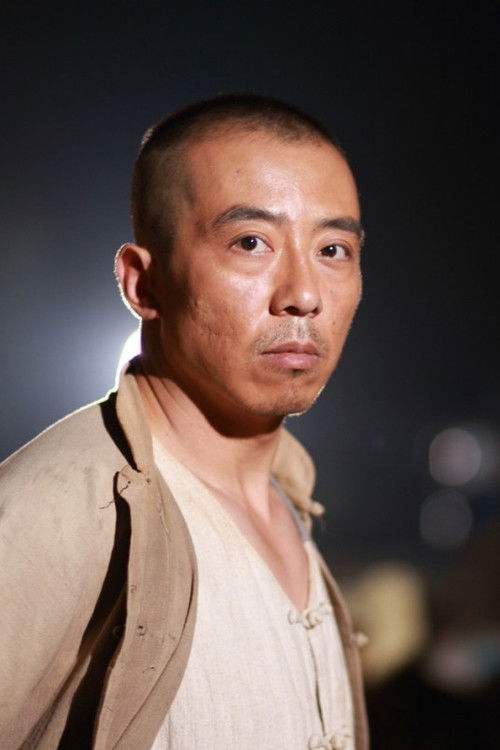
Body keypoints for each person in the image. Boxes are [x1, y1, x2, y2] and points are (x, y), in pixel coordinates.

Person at [0, 93, 368, 749]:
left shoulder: (292, 500)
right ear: (143, 284)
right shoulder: (54, 512)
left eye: (334, 249)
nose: (305, 295)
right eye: (251, 243)